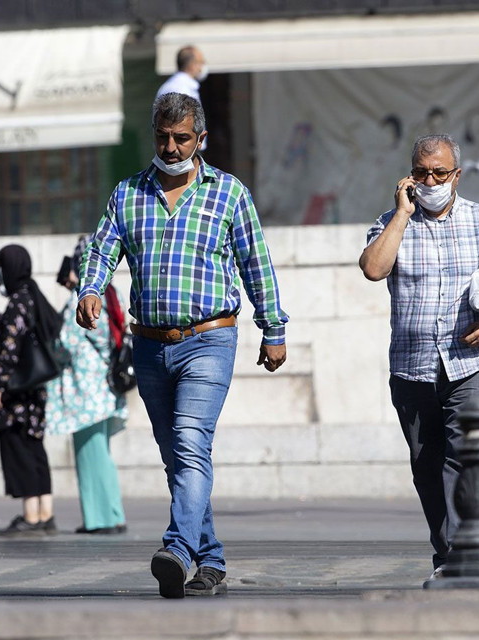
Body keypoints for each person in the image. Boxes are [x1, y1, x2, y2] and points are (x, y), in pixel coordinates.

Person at [76, 92, 288, 598]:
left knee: (191, 442)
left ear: (202, 139)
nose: (171, 147)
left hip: (209, 339)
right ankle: (209, 558)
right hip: (148, 346)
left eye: (182, 138)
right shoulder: (128, 194)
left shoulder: (229, 193)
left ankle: (176, 548)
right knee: (178, 457)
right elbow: (102, 248)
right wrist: (89, 288)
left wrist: (273, 328)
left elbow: (256, 265)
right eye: (163, 137)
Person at [359, 134, 479, 579]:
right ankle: (447, 554)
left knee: (466, 456)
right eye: (421, 172)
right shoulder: (390, 222)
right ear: (409, 175)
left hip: (473, 363)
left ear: (456, 174)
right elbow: (374, 269)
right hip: (412, 367)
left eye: (440, 172)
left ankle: (464, 557)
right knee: (426, 464)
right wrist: (402, 214)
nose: (430, 180)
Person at [46, 234, 128, 535]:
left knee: (89, 453)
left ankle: (99, 519)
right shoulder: (112, 293)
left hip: (85, 388)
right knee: (101, 452)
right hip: (107, 384)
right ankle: (114, 514)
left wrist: (50, 348)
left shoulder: (83, 296)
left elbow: (66, 342)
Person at [0, 244, 62, 538]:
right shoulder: (33, 296)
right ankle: (45, 513)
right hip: (35, 390)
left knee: (19, 449)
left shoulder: (18, 300)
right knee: (34, 448)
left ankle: (31, 516)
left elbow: (10, 349)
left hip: (16, 392)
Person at [156, 45, 208, 150]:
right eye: (201, 63)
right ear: (192, 65)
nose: (202, 67)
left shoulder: (179, 86)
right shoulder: (181, 89)